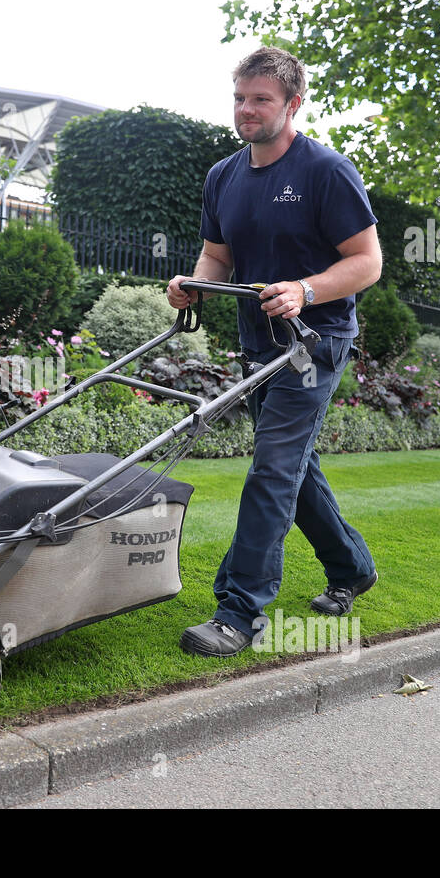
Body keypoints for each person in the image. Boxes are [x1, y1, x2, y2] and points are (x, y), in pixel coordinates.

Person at [167, 46, 381, 658]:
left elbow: (367, 261)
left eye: (261, 99)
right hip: (258, 343)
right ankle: (352, 568)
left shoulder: (325, 171)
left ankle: (240, 612)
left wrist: (306, 290)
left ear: (293, 102)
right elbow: (217, 255)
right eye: (240, 97)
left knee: (271, 469)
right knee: (293, 465)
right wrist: (191, 283)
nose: (247, 110)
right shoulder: (223, 176)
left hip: (315, 342)